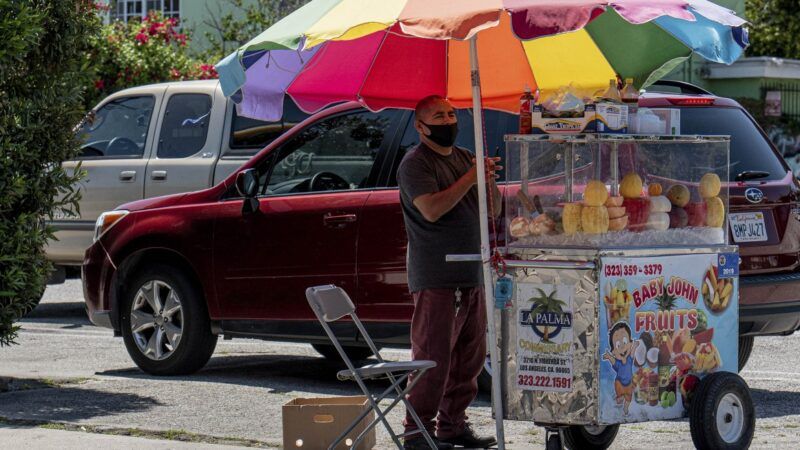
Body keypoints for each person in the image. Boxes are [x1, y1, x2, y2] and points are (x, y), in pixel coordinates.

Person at [397, 95, 501, 450]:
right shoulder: (415, 164)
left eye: (452, 113)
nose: (448, 120)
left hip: (472, 270)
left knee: (469, 359)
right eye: (438, 115)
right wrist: (470, 178)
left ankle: (452, 425)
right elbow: (431, 209)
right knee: (433, 357)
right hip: (437, 275)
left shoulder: (464, 158)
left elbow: (493, 209)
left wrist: (485, 180)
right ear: (421, 126)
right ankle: (417, 432)